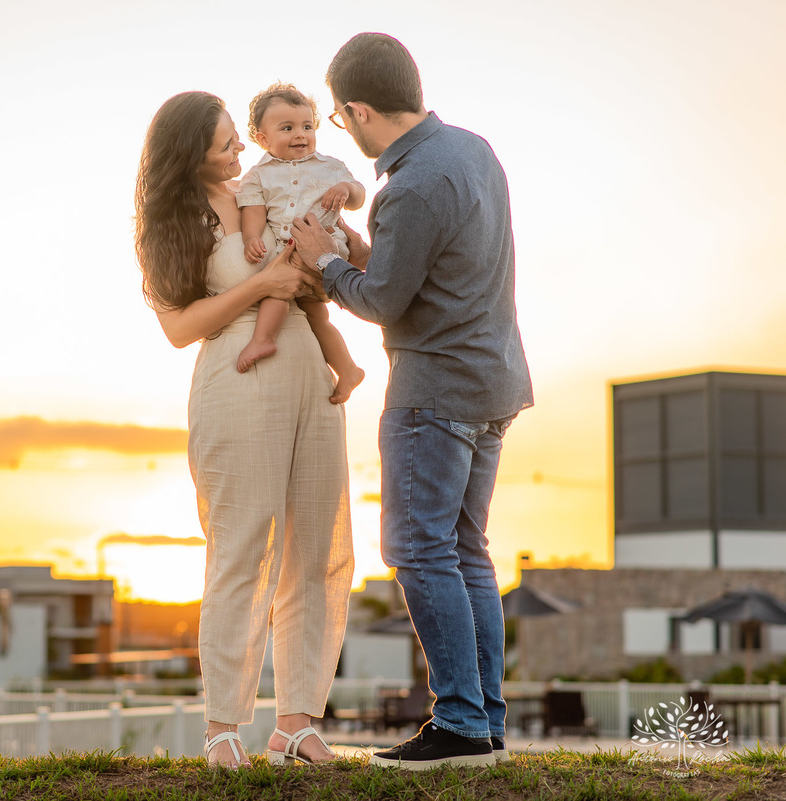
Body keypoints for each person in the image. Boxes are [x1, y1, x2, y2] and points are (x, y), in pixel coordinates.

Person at [291, 33, 534, 771]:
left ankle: (459, 722)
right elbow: (435, 270)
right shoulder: (472, 150)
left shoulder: (411, 184)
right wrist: (370, 255)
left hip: (436, 393)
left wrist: (325, 263)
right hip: (494, 381)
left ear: (358, 109)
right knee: (465, 551)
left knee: (419, 549)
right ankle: (484, 721)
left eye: (338, 118)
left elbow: (387, 303)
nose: (344, 130)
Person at [135, 91, 355, 769]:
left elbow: (328, 262)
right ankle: (223, 725)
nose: (239, 152)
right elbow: (178, 327)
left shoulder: (271, 187)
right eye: (226, 143)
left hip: (309, 373)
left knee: (318, 550)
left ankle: (297, 720)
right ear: (188, 151)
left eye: (238, 139)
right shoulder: (173, 219)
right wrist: (263, 288)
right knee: (241, 550)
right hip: (235, 375)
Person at [235, 82, 365, 404]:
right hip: (288, 246)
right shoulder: (257, 176)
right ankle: (348, 369)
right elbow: (253, 211)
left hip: (325, 245)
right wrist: (252, 238)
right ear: (263, 139)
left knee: (278, 284)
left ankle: (263, 339)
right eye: (288, 128)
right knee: (317, 317)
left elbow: (360, 194)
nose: (300, 135)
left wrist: (347, 190)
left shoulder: (330, 167)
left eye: (307, 126)